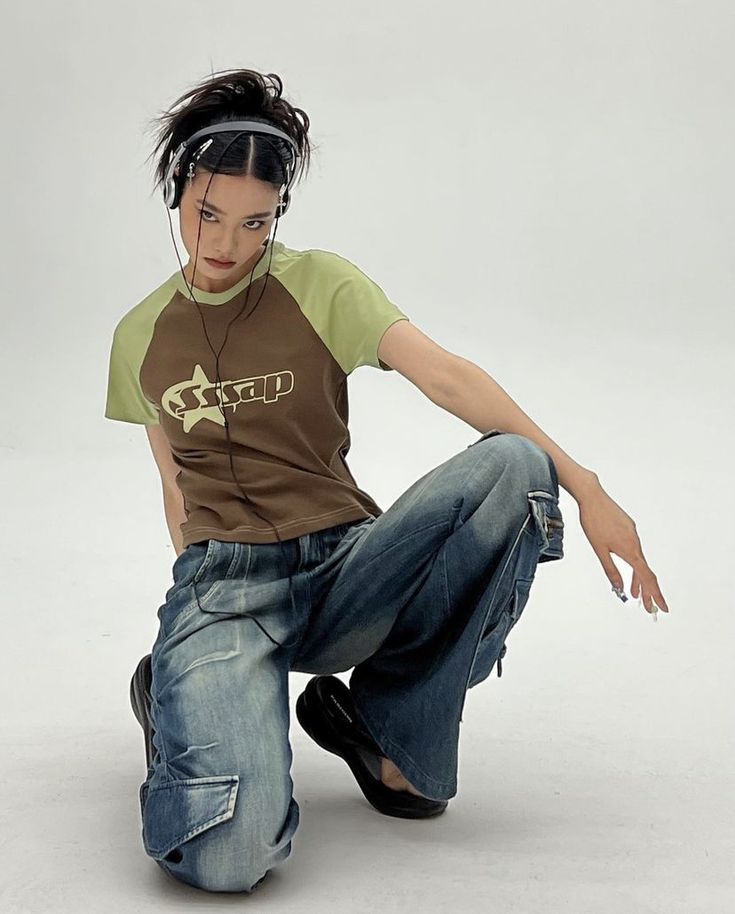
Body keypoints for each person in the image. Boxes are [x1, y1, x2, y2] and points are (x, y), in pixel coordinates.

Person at [106, 67, 669, 895]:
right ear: (177, 191)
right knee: (226, 863)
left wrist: (584, 485)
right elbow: (176, 489)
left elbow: (444, 378)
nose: (225, 244)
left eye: (254, 221)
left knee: (514, 468)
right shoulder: (139, 335)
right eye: (207, 215)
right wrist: (198, 636)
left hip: (343, 567)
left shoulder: (320, 284)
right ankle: (175, 695)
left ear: (279, 214)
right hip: (225, 585)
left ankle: (385, 731)